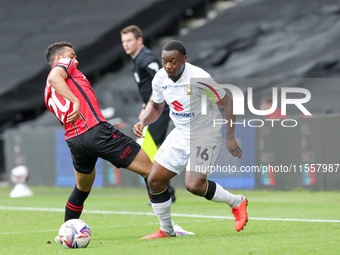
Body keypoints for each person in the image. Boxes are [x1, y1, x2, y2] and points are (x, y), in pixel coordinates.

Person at [43, 42, 192, 239]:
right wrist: (77, 101)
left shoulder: (47, 92)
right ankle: (169, 227)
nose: (75, 60)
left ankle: (65, 232)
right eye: (72, 55)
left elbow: (55, 82)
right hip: (97, 132)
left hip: (75, 141)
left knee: (82, 188)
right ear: (58, 59)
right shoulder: (62, 67)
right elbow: (55, 76)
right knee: (152, 172)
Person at [133, 40, 248, 239]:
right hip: (181, 132)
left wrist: (230, 136)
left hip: (205, 132)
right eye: (165, 61)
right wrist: (144, 122)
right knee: (154, 180)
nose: (168, 66)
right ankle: (167, 230)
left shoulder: (199, 78)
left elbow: (228, 101)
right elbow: (158, 108)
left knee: (194, 186)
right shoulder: (160, 78)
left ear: (184, 59)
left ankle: (237, 202)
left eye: (173, 61)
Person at [121, 25, 176, 203]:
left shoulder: (146, 57)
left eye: (129, 40)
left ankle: (161, 192)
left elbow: (163, 80)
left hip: (160, 109)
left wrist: (150, 106)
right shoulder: (138, 60)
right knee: (152, 151)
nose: (126, 45)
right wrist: (146, 105)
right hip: (154, 108)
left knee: (145, 150)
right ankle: (165, 190)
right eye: (123, 42)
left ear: (139, 40)